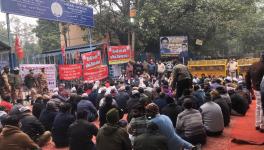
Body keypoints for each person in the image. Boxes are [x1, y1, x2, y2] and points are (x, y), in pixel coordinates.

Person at [246, 51, 264, 131]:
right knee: (262, 107)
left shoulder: (253, 65)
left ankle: (257, 124)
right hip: (262, 89)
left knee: (258, 106)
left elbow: (247, 78)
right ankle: (262, 126)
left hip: (255, 89)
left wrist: (249, 88)